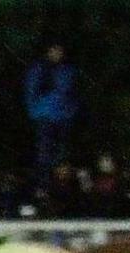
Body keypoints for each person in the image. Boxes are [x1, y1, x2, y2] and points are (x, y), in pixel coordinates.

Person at [24, 43, 78, 193]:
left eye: (59, 50)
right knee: (44, 154)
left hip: (63, 118)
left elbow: (72, 93)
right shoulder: (39, 70)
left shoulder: (67, 70)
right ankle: (43, 187)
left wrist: (71, 112)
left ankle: (61, 188)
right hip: (44, 117)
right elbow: (30, 92)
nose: (57, 53)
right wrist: (34, 112)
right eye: (54, 50)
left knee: (62, 154)